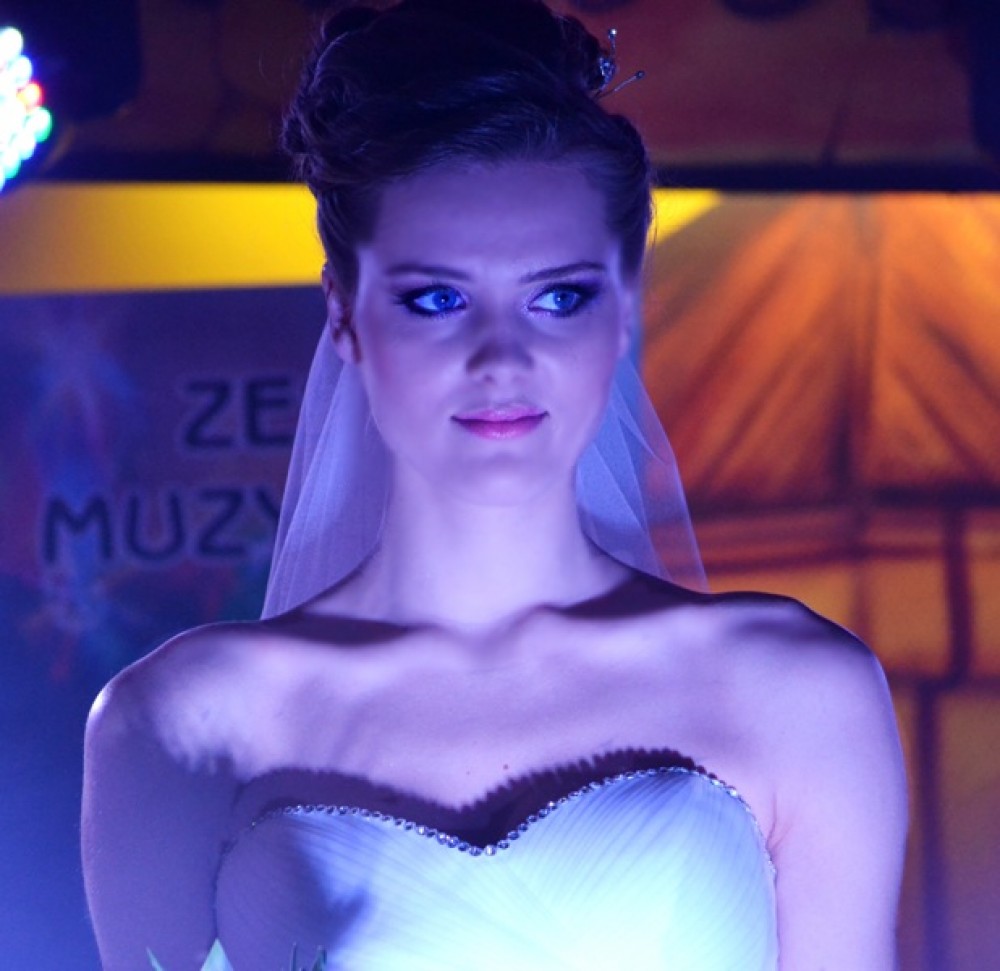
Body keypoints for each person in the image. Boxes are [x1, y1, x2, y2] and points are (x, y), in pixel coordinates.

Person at [81, 1, 908, 968]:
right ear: (344, 315)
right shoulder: (179, 722)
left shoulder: (799, 692)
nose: (502, 359)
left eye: (558, 296)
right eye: (437, 298)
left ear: (622, 309)